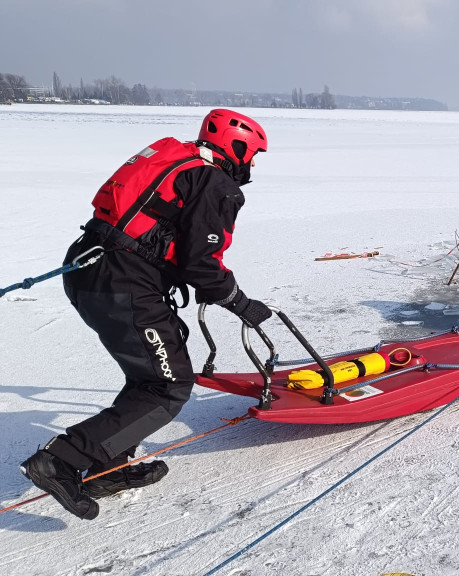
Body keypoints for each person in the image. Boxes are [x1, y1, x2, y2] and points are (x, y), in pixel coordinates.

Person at [20, 109, 274, 520]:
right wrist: (239, 302)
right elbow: (201, 264)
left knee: (150, 376)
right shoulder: (215, 182)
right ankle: (61, 460)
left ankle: (108, 467)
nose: (253, 164)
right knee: (167, 386)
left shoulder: (178, 158)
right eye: (254, 154)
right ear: (237, 146)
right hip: (124, 281)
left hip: (88, 266)